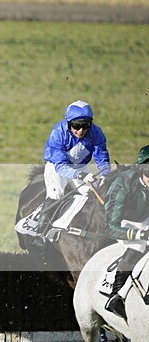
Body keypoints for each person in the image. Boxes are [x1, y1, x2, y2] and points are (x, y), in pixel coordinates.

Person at [34, 100, 112, 240]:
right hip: (57, 167)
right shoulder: (58, 132)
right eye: (76, 126)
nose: (81, 130)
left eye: (85, 125)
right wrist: (80, 175)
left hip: (80, 166)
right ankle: (40, 234)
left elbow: (103, 160)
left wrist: (106, 175)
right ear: (68, 123)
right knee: (56, 194)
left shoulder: (96, 132)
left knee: (94, 193)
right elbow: (60, 166)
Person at [102, 145, 149, 321]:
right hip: (124, 223)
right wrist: (140, 235)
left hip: (145, 219)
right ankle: (116, 295)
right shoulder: (123, 183)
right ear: (141, 170)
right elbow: (110, 226)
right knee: (139, 244)